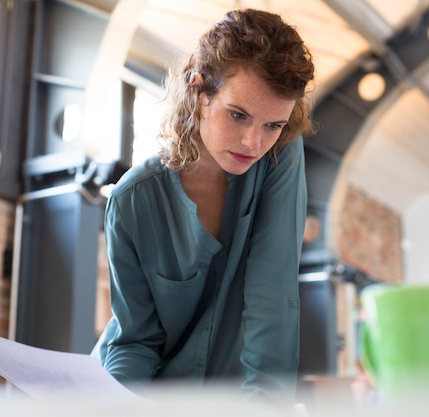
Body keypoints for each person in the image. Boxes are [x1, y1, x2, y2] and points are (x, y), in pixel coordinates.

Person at [91, 8, 315, 406]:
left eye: (272, 124)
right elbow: (136, 340)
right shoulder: (131, 201)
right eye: (238, 115)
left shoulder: (281, 154)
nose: (253, 142)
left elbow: (272, 294)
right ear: (199, 93)